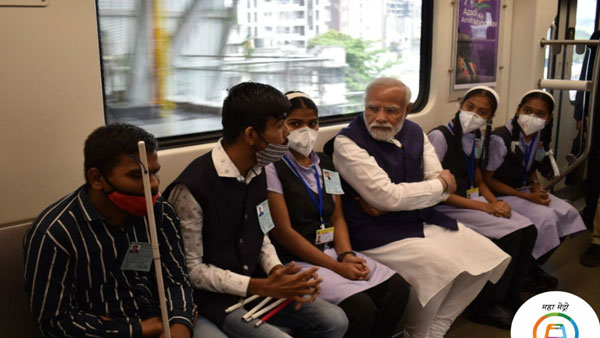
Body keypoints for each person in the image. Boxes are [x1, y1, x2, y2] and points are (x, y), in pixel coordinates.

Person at [328, 77, 510, 338]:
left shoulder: (415, 132)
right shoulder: (347, 143)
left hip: (418, 218)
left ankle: (436, 329)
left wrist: (401, 198)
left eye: (391, 111)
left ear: (407, 109)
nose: (379, 117)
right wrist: (427, 190)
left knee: (488, 257)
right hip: (372, 230)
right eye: (372, 108)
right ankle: (416, 334)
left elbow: (425, 188)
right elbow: (390, 197)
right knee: (442, 267)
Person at [164, 82, 348, 338]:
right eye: (280, 125)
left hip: (257, 284)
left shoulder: (257, 169)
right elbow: (192, 270)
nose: (286, 134)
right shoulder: (193, 188)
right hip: (215, 299)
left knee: (335, 320)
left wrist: (278, 272)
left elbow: (261, 234)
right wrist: (261, 286)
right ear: (251, 135)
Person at [23, 123, 199, 338]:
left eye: (154, 173)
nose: (153, 184)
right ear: (97, 179)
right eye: (137, 175)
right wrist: (136, 330)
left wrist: (179, 325)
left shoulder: (159, 212)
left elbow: (176, 279)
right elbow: (56, 322)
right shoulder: (55, 234)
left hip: (161, 325)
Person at [266, 91, 410, 338]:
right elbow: (284, 232)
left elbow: (337, 217)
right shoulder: (272, 168)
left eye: (312, 123)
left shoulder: (325, 163)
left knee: (397, 288)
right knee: (360, 309)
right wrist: (336, 266)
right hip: (297, 260)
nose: (306, 131)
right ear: (282, 126)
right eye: (295, 123)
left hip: (333, 251)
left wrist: (346, 255)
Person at [427, 86, 538, 329]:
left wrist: (494, 202)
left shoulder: (478, 137)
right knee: (511, 234)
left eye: (483, 112)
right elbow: (436, 191)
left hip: (471, 200)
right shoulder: (439, 137)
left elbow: (478, 179)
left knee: (529, 230)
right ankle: (486, 305)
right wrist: (486, 209)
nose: (475, 114)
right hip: (445, 206)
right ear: (460, 106)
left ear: (490, 118)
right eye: (470, 107)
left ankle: (510, 295)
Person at [483, 90, 586, 276]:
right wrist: (527, 196)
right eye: (527, 110)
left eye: (540, 114)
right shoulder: (500, 138)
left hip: (524, 190)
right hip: (502, 193)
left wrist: (537, 189)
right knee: (547, 218)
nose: (532, 117)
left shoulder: (538, 137)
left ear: (548, 118)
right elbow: (487, 179)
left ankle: (533, 265)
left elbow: (531, 169)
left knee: (568, 211)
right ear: (518, 110)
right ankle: (524, 270)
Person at [573, 30, 600, 267]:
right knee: (594, 173)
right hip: (598, 114)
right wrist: (580, 112)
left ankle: (597, 240)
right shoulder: (598, 37)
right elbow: (587, 75)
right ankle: (589, 217)